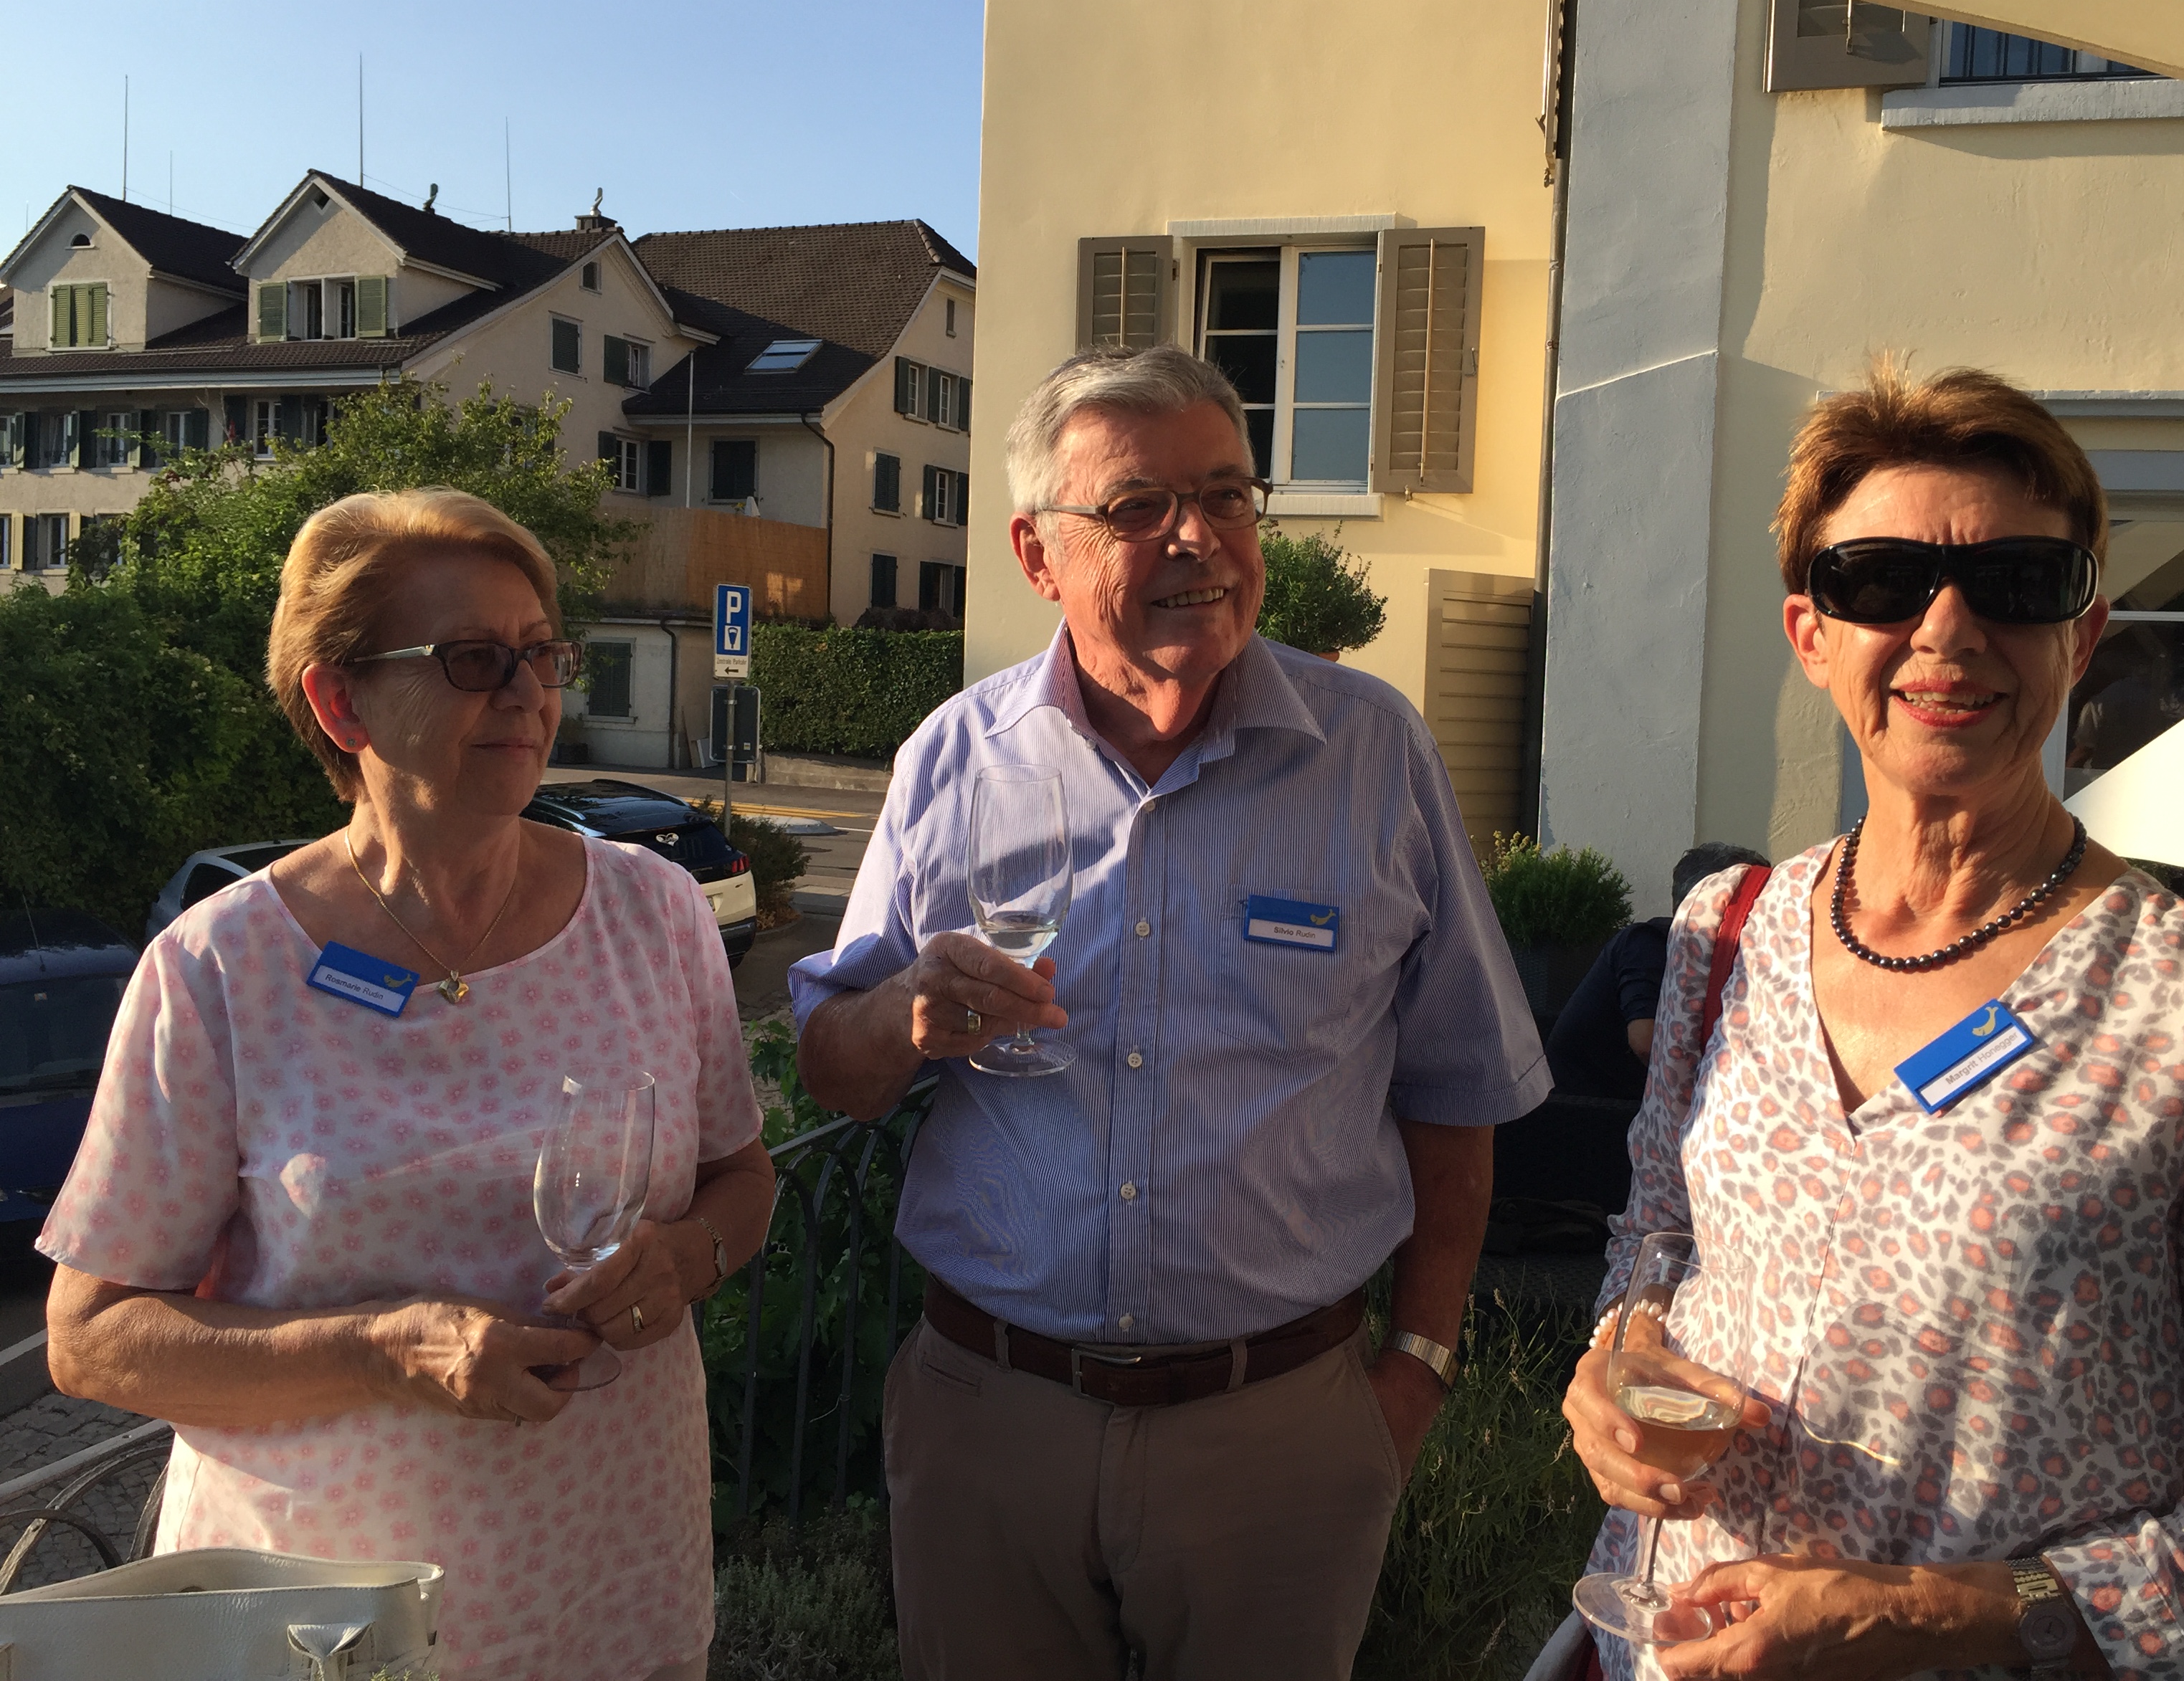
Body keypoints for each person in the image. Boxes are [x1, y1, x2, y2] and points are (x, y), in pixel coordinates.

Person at [1562, 365, 2184, 1680]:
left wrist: (1926, 1611)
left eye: (2014, 582)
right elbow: (1656, 1238)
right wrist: (1616, 1361)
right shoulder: (1725, 934)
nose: (1946, 627)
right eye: (1880, 580)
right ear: (1811, 633)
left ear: (2080, 635)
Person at [791, 346, 1549, 1681]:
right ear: (1037, 554)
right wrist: (905, 1008)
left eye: (1226, 496)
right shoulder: (952, 762)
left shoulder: (1373, 754)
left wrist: (1416, 1368)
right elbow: (832, 1069)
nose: (1197, 537)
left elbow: (1459, 1086)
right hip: (990, 1423)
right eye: (1138, 506)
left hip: (1279, 1429)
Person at [41, 490, 777, 1681]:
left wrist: (688, 1257)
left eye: (541, 652)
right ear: (341, 700)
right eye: (475, 658)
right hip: (328, 1624)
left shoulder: (654, 912)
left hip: (613, 1587)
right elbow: (92, 1341)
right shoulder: (220, 968)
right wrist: (384, 1349)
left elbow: (740, 1176)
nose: (528, 691)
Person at [1494, 845, 1772, 1219]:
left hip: (1632, 1115)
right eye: (1755, 901)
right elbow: (1646, 1042)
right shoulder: (1648, 944)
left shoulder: (1724, 960)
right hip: (1589, 1122)